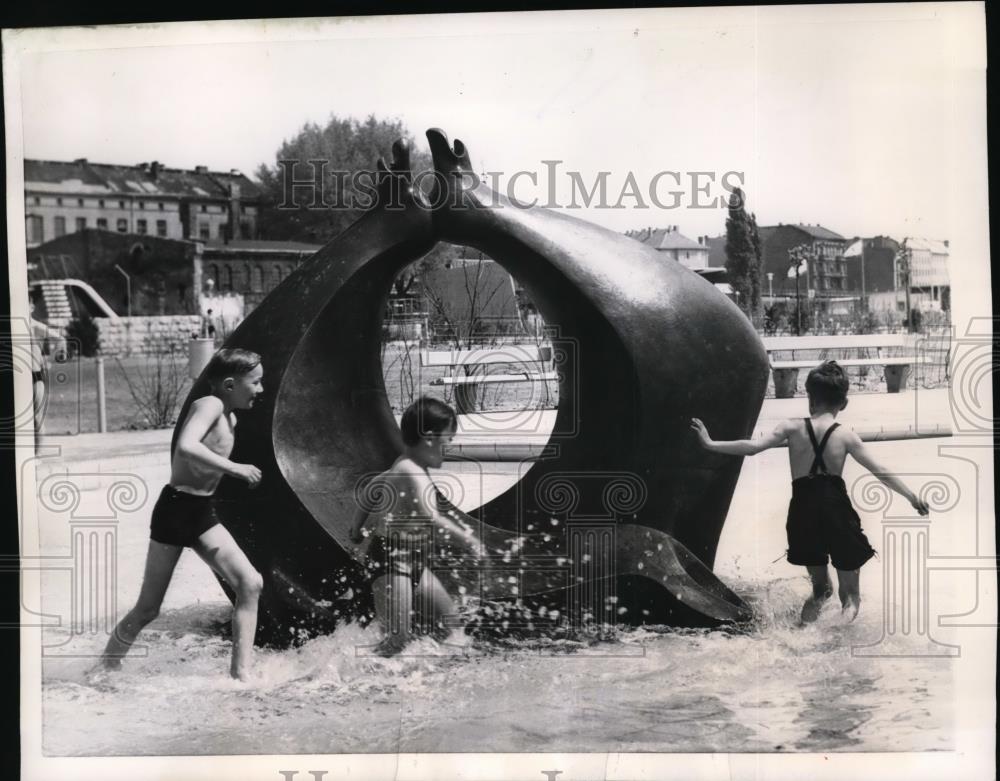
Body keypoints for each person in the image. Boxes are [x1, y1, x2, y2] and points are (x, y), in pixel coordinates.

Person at [690, 360, 929, 625]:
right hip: (837, 511)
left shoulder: (791, 428)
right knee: (850, 597)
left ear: (810, 399)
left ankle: (803, 633)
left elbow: (752, 447)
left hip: (802, 511)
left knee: (821, 591)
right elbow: (880, 471)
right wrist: (911, 497)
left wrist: (710, 443)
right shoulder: (846, 436)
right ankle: (834, 636)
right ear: (844, 403)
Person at [99, 348, 265, 679]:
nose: (261, 390)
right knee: (148, 609)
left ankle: (241, 676)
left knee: (250, 582)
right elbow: (187, 445)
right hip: (175, 509)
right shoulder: (211, 404)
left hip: (201, 511)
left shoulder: (230, 416)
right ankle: (105, 666)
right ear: (230, 384)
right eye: (256, 382)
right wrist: (235, 468)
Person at [350, 396, 478, 656]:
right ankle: (351, 677)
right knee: (397, 640)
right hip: (391, 559)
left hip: (413, 558)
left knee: (450, 628)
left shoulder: (405, 465)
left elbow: (372, 488)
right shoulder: (410, 471)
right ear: (430, 438)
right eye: (448, 439)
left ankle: (421, 671)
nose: (450, 446)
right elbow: (432, 517)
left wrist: (356, 528)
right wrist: (469, 540)